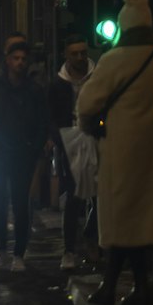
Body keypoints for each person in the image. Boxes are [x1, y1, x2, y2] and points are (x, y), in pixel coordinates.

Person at [77, 0, 153, 305]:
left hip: (121, 151)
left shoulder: (113, 61)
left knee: (122, 220)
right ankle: (150, 285)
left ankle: (116, 286)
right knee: (149, 220)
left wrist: (93, 128)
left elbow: (86, 106)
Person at [0, 33, 50, 271]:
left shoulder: (34, 90)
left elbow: (42, 121)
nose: (20, 63)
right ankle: (2, 249)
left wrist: (35, 147)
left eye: (23, 59)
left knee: (20, 203)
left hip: (22, 153)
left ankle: (19, 254)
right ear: (8, 60)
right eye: (16, 58)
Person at [49, 32, 99, 270]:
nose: (80, 58)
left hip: (97, 140)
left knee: (100, 195)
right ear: (66, 56)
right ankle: (70, 249)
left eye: (83, 53)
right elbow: (52, 116)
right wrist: (60, 139)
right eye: (74, 54)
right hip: (70, 141)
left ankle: (93, 240)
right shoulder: (58, 85)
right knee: (74, 195)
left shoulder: (98, 77)